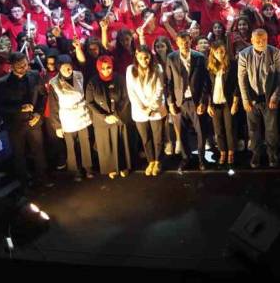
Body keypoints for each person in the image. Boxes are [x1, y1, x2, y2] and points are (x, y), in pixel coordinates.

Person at [0, 52, 51, 189]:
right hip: (15, 124)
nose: (24, 68)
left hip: (33, 121)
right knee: (19, 154)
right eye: (20, 66)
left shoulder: (35, 75)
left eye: (25, 64)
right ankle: (24, 183)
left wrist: (38, 113)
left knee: (39, 151)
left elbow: (43, 96)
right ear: (12, 66)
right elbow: (0, 107)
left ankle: (42, 178)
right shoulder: (2, 82)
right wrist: (19, 108)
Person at [237, 28, 280, 168]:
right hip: (252, 97)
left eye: (264, 40)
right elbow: (242, 79)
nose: (261, 42)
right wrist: (245, 99)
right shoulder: (244, 54)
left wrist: (275, 96)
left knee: (271, 128)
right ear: (251, 40)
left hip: (269, 96)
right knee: (253, 129)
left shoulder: (275, 52)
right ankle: (256, 153)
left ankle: (272, 153)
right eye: (257, 40)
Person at [47, 55, 94, 181]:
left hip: (82, 114)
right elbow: (53, 106)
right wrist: (57, 126)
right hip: (68, 117)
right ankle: (76, 171)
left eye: (69, 68)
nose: (68, 71)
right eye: (65, 69)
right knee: (72, 146)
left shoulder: (79, 75)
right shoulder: (54, 83)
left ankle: (88, 168)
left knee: (85, 143)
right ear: (59, 69)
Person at [166, 32, 208, 171]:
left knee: (201, 132)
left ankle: (201, 159)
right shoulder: (171, 57)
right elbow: (169, 82)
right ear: (177, 43)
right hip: (180, 101)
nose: (184, 44)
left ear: (191, 41)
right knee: (182, 132)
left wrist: (203, 101)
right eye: (181, 42)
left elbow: (205, 81)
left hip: (196, 100)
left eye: (187, 41)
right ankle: (186, 158)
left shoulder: (199, 57)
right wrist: (171, 102)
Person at [85, 55, 132, 179]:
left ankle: (124, 166)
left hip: (119, 117)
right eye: (103, 68)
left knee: (121, 142)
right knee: (106, 145)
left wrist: (116, 114)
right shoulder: (92, 82)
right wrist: (105, 116)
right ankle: (110, 168)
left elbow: (126, 97)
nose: (106, 70)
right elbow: (90, 102)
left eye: (109, 67)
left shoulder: (120, 79)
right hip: (102, 120)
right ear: (98, 68)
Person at [126, 46, 167, 176]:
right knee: (145, 138)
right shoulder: (130, 70)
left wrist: (151, 108)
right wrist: (143, 109)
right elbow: (131, 92)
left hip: (155, 108)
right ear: (136, 57)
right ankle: (151, 161)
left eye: (146, 57)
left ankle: (158, 161)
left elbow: (159, 90)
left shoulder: (157, 68)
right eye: (141, 58)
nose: (144, 60)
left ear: (150, 56)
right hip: (139, 110)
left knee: (158, 137)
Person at [203, 41, 239, 167]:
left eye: (222, 52)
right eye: (217, 52)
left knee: (230, 129)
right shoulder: (210, 66)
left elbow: (236, 85)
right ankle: (222, 151)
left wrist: (235, 102)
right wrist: (208, 105)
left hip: (228, 102)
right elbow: (208, 87)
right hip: (215, 102)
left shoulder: (232, 65)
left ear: (225, 52)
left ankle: (231, 152)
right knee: (218, 129)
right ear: (213, 53)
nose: (219, 54)